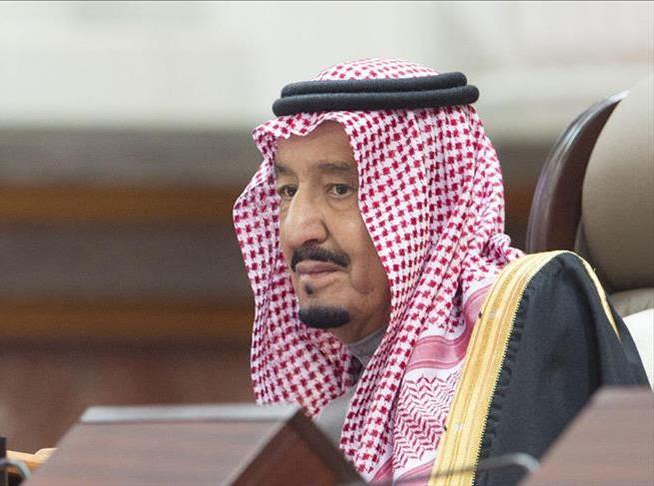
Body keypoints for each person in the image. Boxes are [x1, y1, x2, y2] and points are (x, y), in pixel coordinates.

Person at [232, 58, 648, 485]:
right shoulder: (337, 422)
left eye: (340, 189)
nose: (297, 229)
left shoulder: (531, 316)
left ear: (427, 207)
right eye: (287, 191)